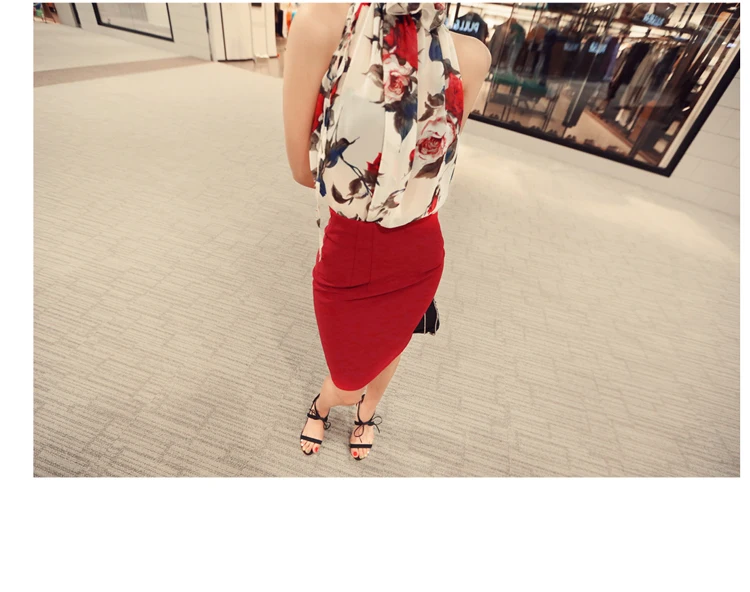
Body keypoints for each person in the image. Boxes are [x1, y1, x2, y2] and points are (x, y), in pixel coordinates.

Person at [282, 3, 490, 460]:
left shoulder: (472, 56)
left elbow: (434, 168)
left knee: (392, 345)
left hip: (418, 253)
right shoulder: (321, 26)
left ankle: (367, 413)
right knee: (346, 373)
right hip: (350, 247)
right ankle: (326, 402)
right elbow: (301, 170)